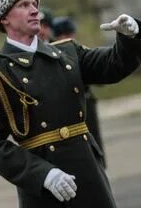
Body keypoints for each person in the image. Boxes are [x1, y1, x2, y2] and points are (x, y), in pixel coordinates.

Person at [0, 0, 141, 208]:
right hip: (44, 183)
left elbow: (112, 66)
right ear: (4, 17)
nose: (34, 11)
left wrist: (129, 38)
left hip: (87, 171)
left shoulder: (67, 52)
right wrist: (42, 174)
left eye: (34, 4)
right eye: (24, 5)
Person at [53, 16, 105, 168]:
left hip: (87, 104)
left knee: (95, 148)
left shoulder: (76, 50)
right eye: (65, 34)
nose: (70, 37)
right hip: (70, 112)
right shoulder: (57, 54)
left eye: (71, 34)